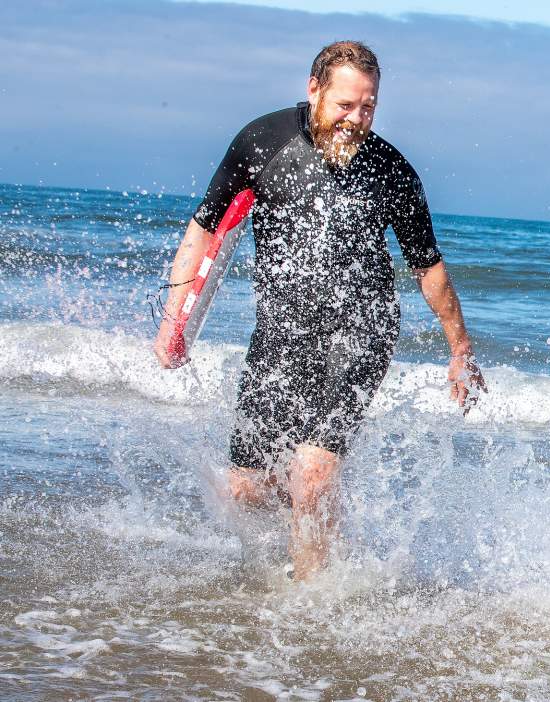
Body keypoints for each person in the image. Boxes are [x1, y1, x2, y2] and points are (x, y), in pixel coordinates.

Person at [151, 41, 486, 581]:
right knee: (245, 488)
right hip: (282, 330)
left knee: (312, 473)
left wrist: (460, 351)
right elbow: (206, 226)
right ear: (314, 90)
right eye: (345, 106)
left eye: (369, 107)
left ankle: (312, 601)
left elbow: (429, 269)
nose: (357, 120)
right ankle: (324, 528)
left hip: (362, 333)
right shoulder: (263, 141)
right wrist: (175, 321)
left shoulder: (391, 170)